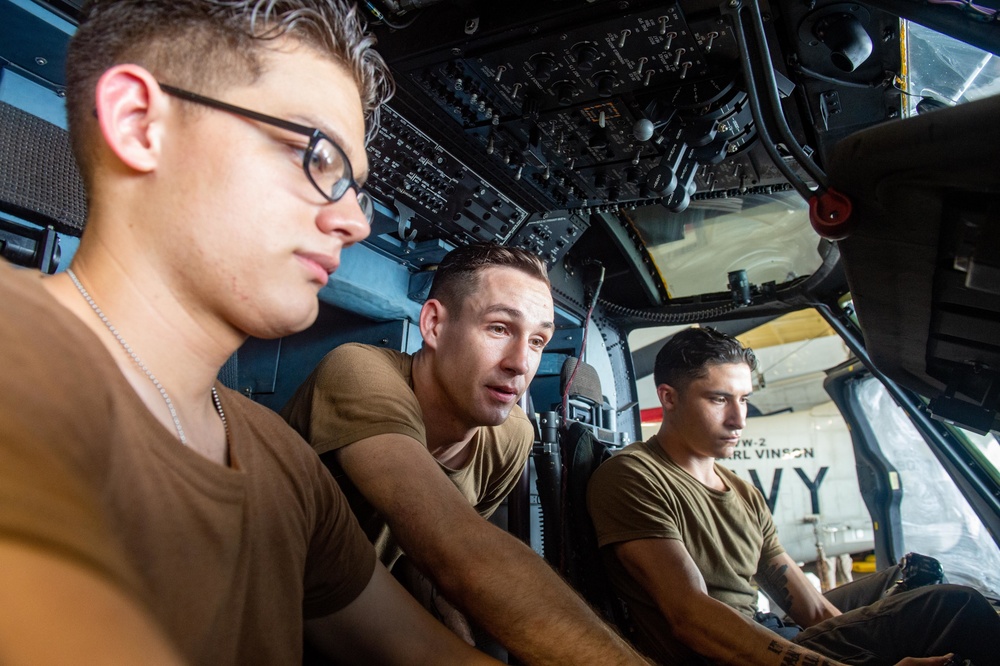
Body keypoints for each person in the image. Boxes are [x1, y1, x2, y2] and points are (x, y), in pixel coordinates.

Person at [0, 1, 502, 664]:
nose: (354, 221)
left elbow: (416, 650)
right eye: (314, 155)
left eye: (356, 186)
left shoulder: (283, 463)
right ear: (137, 123)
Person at [283, 243, 648, 664]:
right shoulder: (358, 372)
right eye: (498, 328)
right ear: (435, 324)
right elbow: (454, 545)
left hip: (360, 610)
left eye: (537, 341)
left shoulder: (512, 437)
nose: (520, 363)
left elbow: (423, 558)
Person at [587, 327, 998, 666]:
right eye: (719, 399)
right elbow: (691, 617)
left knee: (917, 578)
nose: (738, 419)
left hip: (766, 633)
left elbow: (813, 610)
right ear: (668, 397)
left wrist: (876, 652)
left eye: (744, 399)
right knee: (953, 606)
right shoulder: (633, 476)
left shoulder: (742, 492)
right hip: (723, 656)